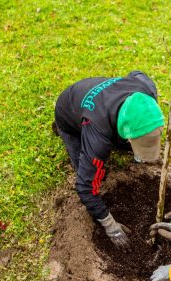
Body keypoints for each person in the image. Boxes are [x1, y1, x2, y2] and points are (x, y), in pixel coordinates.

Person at [53, 70, 164, 249]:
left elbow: (137, 73)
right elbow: (85, 187)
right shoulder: (97, 133)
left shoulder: (146, 92)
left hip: (100, 98)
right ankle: (62, 128)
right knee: (86, 169)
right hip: (69, 108)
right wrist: (111, 226)